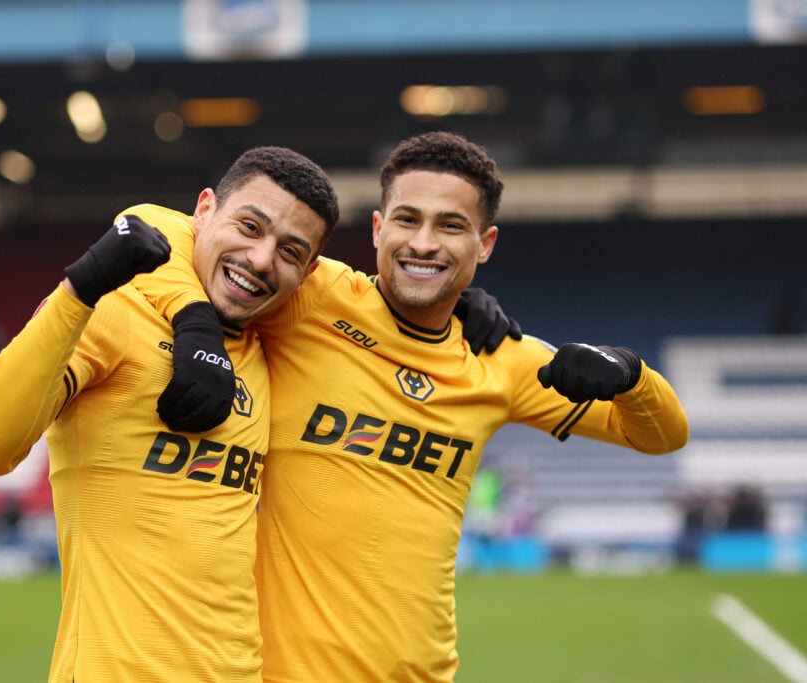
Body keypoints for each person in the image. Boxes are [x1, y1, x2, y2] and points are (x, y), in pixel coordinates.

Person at [139, 131, 690, 682]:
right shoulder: (311, 296)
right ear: (379, 228)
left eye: (450, 226)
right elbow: (163, 228)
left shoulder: (502, 358)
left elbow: (662, 435)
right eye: (407, 219)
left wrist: (628, 373)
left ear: (485, 243)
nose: (423, 243)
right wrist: (192, 318)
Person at [0, 146, 343, 682]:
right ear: (203, 210)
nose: (260, 258)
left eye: (289, 251)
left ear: (308, 271)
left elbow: (385, 291)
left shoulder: (273, 345)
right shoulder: (116, 310)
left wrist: (461, 303)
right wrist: (80, 287)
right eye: (249, 226)